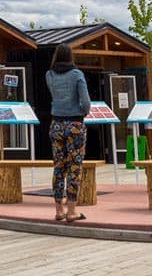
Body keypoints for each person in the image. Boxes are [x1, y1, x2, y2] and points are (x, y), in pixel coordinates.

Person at [45, 44, 91, 223]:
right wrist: (83, 111)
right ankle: (72, 210)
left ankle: (59, 209)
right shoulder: (77, 75)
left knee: (59, 166)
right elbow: (85, 102)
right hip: (74, 124)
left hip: (56, 123)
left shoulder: (49, 75)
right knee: (74, 166)